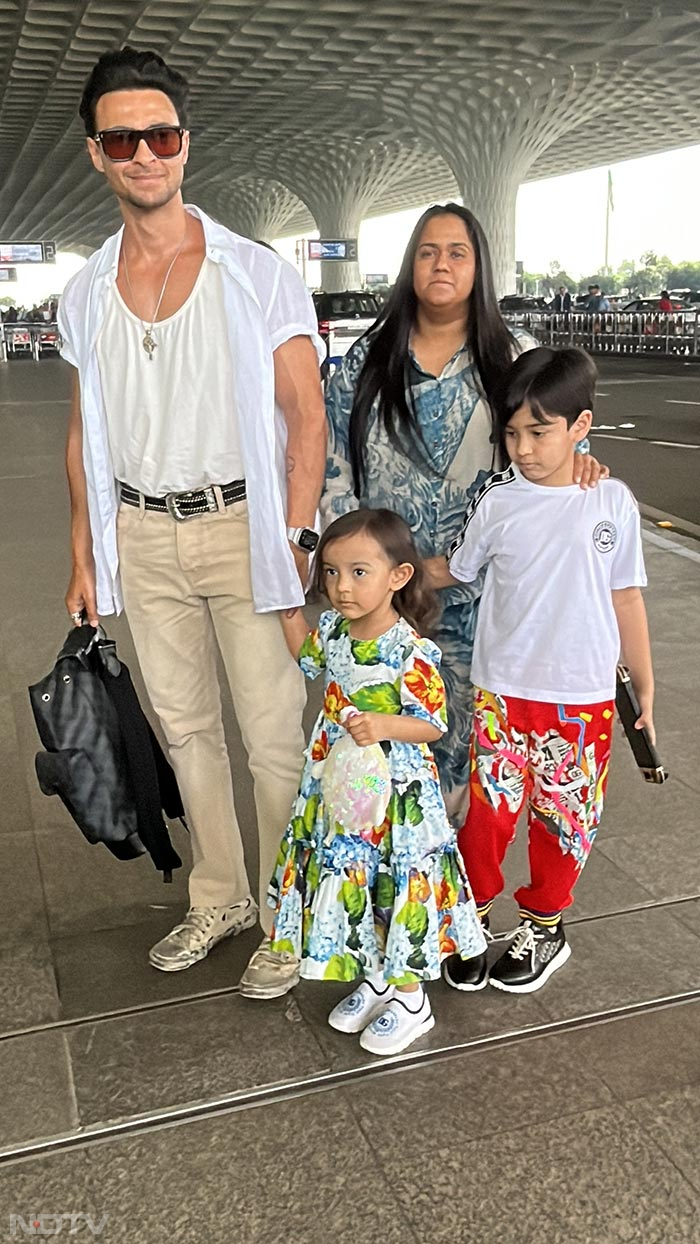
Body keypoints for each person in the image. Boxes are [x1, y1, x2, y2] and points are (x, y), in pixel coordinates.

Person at [58, 47, 327, 974]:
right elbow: (85, 428)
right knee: (184, 731)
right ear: (97, 153)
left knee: (270, 733)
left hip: (242, 526)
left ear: (185, 146)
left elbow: (306, 415)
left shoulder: (255, 273)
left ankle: (292, 911)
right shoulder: (86, 291)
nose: (145, 153)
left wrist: (296, 536)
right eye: (123, 138)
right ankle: (222, 896)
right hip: (141, 531)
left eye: (161, 134)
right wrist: (86, 551)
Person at [322, 202, 605, 821]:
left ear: (480, 267)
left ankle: (452, 896)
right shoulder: (366, 360)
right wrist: (349, 568)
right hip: (386, 598)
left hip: (485, 601)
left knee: (470, 745)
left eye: (457, 252)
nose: (441, 264)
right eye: (427, 251)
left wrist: (581, 462)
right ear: (408, 266)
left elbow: (555, 443)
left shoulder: (513, 354)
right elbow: (333, 465)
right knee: (382, 735)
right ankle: (388, 883)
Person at [426, 346, 654, 993]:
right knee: (488, 816)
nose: (522, 448)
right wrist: (396, 573)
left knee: (563, 819)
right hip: (503, 692)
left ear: (580, 427)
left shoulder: (610, 500)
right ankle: (467, 919)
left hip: (580, 700)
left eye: (539, 431)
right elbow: (458, 567)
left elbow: (627, 596)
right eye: (513, 433)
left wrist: (644, 680)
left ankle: (544, 927)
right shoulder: (498, 503)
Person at [241, 508, 487, 1052]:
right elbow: (307, 654)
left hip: (394, 797)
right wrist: (287, 602)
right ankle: (377, 977)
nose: (341, 587)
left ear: (398, 576)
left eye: (358, 572)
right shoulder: (331, 629)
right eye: (330, 572)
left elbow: (433, 722)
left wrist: (383, 725)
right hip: (337, 784)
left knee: (392, 881)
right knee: (358, 878)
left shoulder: (409, 650)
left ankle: (411, 997)